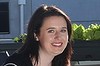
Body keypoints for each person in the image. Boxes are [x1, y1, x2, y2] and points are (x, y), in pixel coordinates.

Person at [2, 4, 73, 66]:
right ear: (36, 35)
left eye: (63, 30)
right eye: (51, 31)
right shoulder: (15, 64)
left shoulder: (61, 62)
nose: (58, 36)